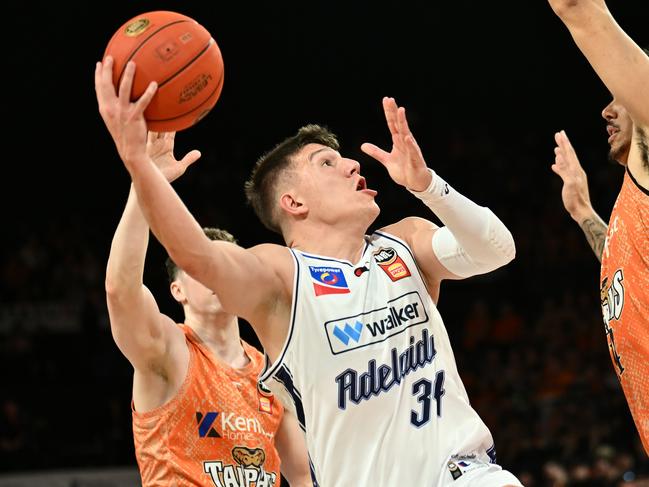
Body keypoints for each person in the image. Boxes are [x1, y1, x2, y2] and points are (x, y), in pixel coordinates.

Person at [95, 56, 522, 486]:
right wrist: (140, 167)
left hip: (466, 474)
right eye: (327, 163)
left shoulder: (406, 242)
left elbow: (496, 251)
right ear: (294, 203)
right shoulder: (281, 274)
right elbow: (199, 257)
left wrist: (427, 185)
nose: (353, 165)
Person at [104, 130, 312, 486]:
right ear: (177, 290)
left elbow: (304, 475)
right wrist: (144, 182)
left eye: (219, 268)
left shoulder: (271, 371)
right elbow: (120, 291)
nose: (213, 277)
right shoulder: (169, 350)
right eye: (199, 270)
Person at [548, 0, 649, 455]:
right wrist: (585, 213)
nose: (607, 111)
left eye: (619, 99)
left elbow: (579, 8)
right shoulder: (633, 205)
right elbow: (624, 273)